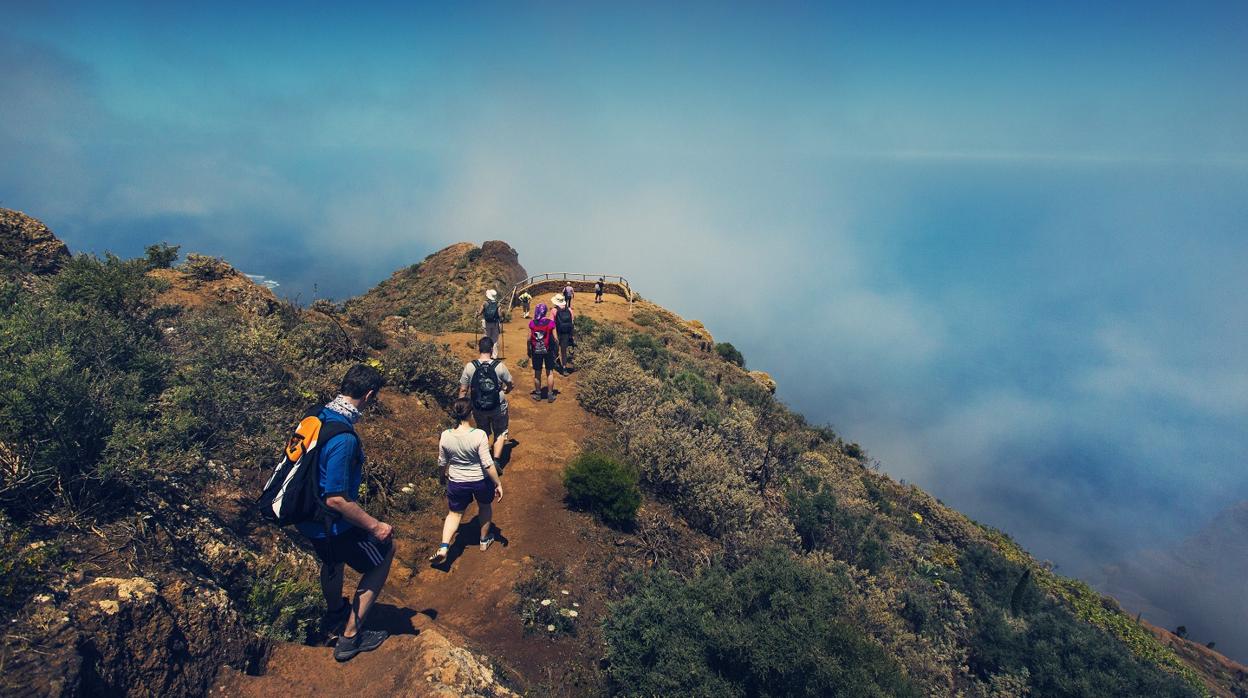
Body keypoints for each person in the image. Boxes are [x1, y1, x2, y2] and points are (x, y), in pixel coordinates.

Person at [296, 364, 394, 662]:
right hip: (331, 523)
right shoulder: (344, 439)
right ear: (369, 395)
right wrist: (375, 526)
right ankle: (350, 637)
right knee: (385, 552)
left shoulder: (315, 416)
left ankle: (335, 612)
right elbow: (336, 499)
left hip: (307, 519)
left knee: (332, 561)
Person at [430, 398, 504, 564]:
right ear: (471, 413)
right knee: (484, 506)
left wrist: (442, 477)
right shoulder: (479, 435)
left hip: (457, 481)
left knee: (454, 514)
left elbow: (442, 462)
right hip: (479, 480)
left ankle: (443, 547)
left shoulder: (446, 435)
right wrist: (498, 483)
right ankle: (484, 540)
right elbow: (487, 463)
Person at [459, 336, 514, 461]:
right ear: (491, 348)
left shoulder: (470, 366)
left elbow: (463, 390)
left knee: (482, 431)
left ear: (479, 349)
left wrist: (461, 410)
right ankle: (496, 461)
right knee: (500, 431)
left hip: (478, 406)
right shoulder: (499, 366)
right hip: (497, 405)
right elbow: (510, 383)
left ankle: (484, 459)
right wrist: (507, 390)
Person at [527, 302, 559, 402]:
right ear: (545, 312)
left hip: (536, 350)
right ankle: (550, 395)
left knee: (537, 373)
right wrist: (556, 351)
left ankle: (538, 394)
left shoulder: (532, 323)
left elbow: (528, 339)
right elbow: (556, 339)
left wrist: (528, 350)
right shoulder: (550, 323)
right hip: (548, 350)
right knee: (549, 372)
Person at [476, 289, 502, 359]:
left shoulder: (485, 303)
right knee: (495, 339)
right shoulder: (498, 303)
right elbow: (499, 314)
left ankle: (486, 354)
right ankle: (495, 356)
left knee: (487, 338)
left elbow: (480, 312)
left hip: (486, 323)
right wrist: (501, 318)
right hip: (495, 323)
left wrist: (477, 314)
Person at [552, 295, 575, 374]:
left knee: (554, 349)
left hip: (557, 332)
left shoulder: (554, 310)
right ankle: (564, 368)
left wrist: (554, 336)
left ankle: (556, 362)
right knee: (564, 351)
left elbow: (552, 325)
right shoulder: (569, 310)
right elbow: (572, 323)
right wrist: (571, 335)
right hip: (566, 333)